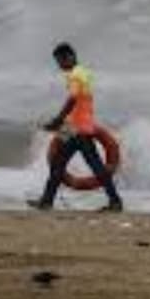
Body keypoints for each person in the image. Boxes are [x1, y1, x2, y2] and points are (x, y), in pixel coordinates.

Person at [28, 42, 124, 212]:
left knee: (75, 164)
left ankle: (115, 201)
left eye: (60, 61)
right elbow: (81, 101)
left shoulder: (75, 75)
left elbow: (73, 99)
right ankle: (47, 201)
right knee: (63, 163)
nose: (59, 66)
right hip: (81, 127)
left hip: (77, 129)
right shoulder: (84, 72)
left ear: (69, 57)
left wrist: (58, 119)